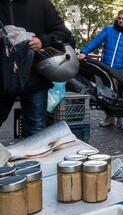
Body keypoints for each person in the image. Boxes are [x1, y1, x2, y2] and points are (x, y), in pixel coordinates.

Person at [0, 0, 74, 137]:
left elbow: (63, 33)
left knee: (36, 131)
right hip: (4, 77)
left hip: (35, 77)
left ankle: (33, 158)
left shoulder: (42, 3)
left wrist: (42, 41)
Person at [78, 10, 123, 131]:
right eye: (119, 18)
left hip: (119, 70)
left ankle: (121, 118)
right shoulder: (108, 30)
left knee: (120, 94)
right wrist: (84, 51)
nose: (121, 20)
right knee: (106, 95)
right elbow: (96, 41)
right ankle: (109, 117)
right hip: (105, 68)